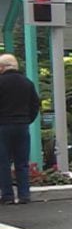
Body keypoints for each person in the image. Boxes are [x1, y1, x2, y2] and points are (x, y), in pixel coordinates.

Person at [0, 54, 41, 205]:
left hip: (3, 126)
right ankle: (24, 195)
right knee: (22, 162)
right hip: (22, 126)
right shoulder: (27, 83)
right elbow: (35, 105)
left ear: (2, 67)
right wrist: (26, 120)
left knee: (3, 162)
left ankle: (8, 196)